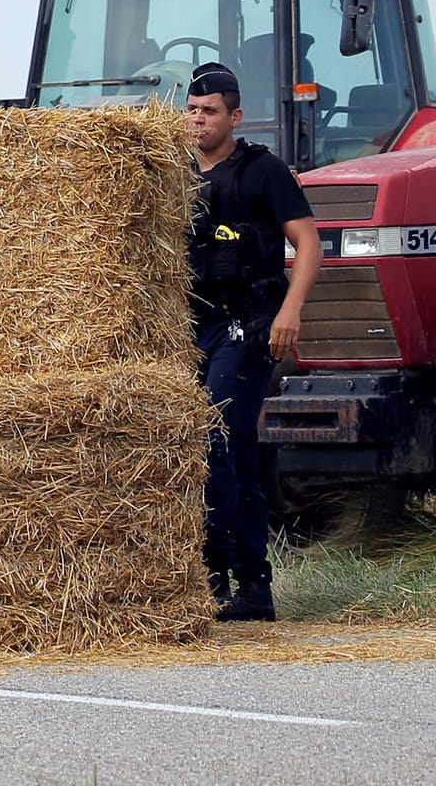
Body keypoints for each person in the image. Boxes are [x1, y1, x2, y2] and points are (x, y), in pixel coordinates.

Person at [185, 63, 319, 622]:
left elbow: (309, 245)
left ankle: (251, 585)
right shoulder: (173, 176)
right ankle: (205, 578)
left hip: (250, 322)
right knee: (189, 448)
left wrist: (289, 312)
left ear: (234, 116)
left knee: (225, 438)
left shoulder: (263, 171)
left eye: (209, 111)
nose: (197, 121)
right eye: (190, 110)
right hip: (194, 325)